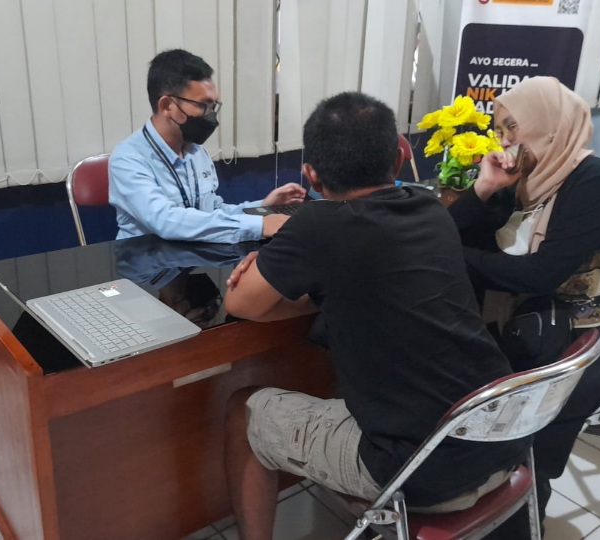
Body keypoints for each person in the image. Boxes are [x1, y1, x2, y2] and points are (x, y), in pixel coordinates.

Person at [222, 91, 531, 540]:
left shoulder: (317, 224)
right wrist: (325, 287)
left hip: (422, 470)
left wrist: (268, 271)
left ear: (311, 175)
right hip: (502, 438)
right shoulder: (430, 209)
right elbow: (366, 281)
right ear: (399, 160)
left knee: (242, 410)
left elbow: (241, 305)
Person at [447, 76, 600, 528]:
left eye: (512, 127)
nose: (504, 141)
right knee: (462, 389)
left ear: (548, 125)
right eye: (500, 130)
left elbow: (538, 273)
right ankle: (487, 501)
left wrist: (452, 254)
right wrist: (484, 188)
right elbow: (454, 233)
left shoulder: (596, 182)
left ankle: (522, 521)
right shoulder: (529, 184)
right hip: (550, 329)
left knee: (517, 422)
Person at [109, 49, 306, 243]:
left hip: (192, 255)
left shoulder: (196, 152)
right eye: (203, 105)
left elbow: (211, 213)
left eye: (213, 106)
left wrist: (262, 207)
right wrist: (259, 225)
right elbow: (166, 220)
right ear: (167, 105)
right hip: (146, 260)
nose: (211, 114)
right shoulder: (128, 159)